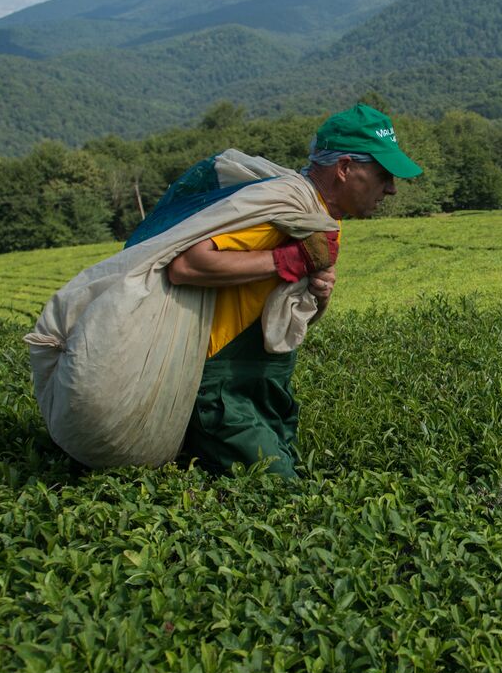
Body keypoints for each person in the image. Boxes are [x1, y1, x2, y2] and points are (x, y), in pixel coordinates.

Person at [164, 104, 422, 478]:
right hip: (223, 391)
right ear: (345, 168)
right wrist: (287, 261)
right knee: (282, 494)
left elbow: (292, 316)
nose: (392, 188)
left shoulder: (321, 217)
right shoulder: (284, 205)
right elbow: (187, 265)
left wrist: (321, 293)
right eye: (383, 175)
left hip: (267, 386)